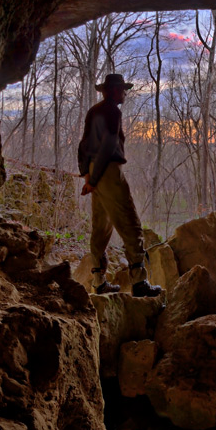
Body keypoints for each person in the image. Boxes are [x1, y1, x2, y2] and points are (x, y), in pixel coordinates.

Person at [77, 73, 162, 297]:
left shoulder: (93, 111)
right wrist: (94, 180)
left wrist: (87, 175)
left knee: (101, 228)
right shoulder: (113, 111)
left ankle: (99, 282)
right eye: (123, 89)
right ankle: (139, 283)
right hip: (109, 172)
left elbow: (83, 145)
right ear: (113, 91)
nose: (125, 93)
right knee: (130, 224)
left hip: (95, 171)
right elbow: (109, 144)